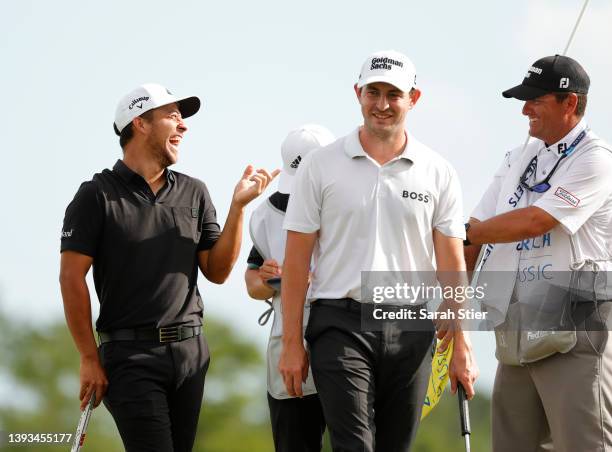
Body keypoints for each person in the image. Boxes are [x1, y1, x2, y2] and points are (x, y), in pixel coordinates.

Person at [59, 83, 278, 452]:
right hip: (130, 357)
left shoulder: (195, 191)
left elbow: (218, 271)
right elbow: (70, 278)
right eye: (172, 115)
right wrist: (88, 358)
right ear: (140, 123)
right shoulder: (96, 195)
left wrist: (237, 209)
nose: (183, 126)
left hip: (191, 352)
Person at [278, 50, 479, 452]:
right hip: (339, 324)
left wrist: (462, 344)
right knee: (354, 446)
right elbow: (296, 263)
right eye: (373, 92)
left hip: (411, 326)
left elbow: (452, 264)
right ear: (358, 93)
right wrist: (291, 343)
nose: (382, 104)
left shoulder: (437, 170)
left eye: (393, 94)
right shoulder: (320, 165)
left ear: (413, 98)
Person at [464, 55, 612, 452]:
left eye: (536, 100)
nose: (525, 109)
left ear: (570, 103)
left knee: (583, 445)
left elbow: (535, 221)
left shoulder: (597, 158)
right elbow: (474, 233)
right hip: (516, 326)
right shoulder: (517, 157)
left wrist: (462, 232)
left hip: (573, 327)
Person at [245, 124, 335, 452]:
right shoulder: (266, 214)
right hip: (288, 350)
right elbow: (252, 282)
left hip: (348, 345)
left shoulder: (354, 205)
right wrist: (266, 279)